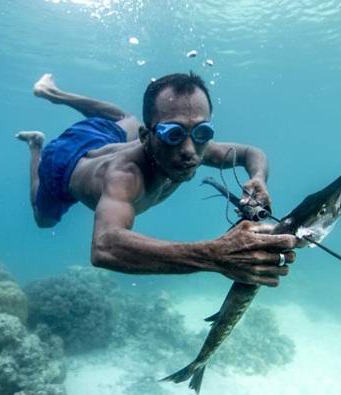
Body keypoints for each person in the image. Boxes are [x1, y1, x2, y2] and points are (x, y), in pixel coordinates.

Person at [16, 73, 297, 287]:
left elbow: (251, 153)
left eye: (202, 132)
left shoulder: (194, 146)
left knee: (124, 118)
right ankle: (35, 146)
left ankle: (53, 93)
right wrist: (215, 254)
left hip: (101, 135)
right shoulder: (126, 176)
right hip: (62, 164)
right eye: (173, 134)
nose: (189, 151)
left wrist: (258, 177)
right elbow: (105, 247)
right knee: (43, 220)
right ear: (146, 137)